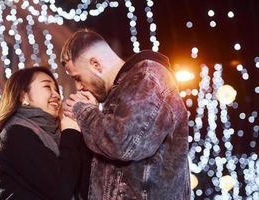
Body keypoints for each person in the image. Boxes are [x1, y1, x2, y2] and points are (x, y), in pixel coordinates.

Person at [60, 29, 191, 200]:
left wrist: (83, 111)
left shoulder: (148, 77)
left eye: (78, 78)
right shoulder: (123, 92)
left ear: (95, 64)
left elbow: (125, 144)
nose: (78, 87)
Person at [0, 67, 91, 200]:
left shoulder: (61, 135)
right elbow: (60, 189)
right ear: (23, 96)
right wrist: (70, 133)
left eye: (56, 89)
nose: (56, 95)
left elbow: (86, 189)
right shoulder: (16, 134)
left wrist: (89, 118)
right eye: (47, 87)